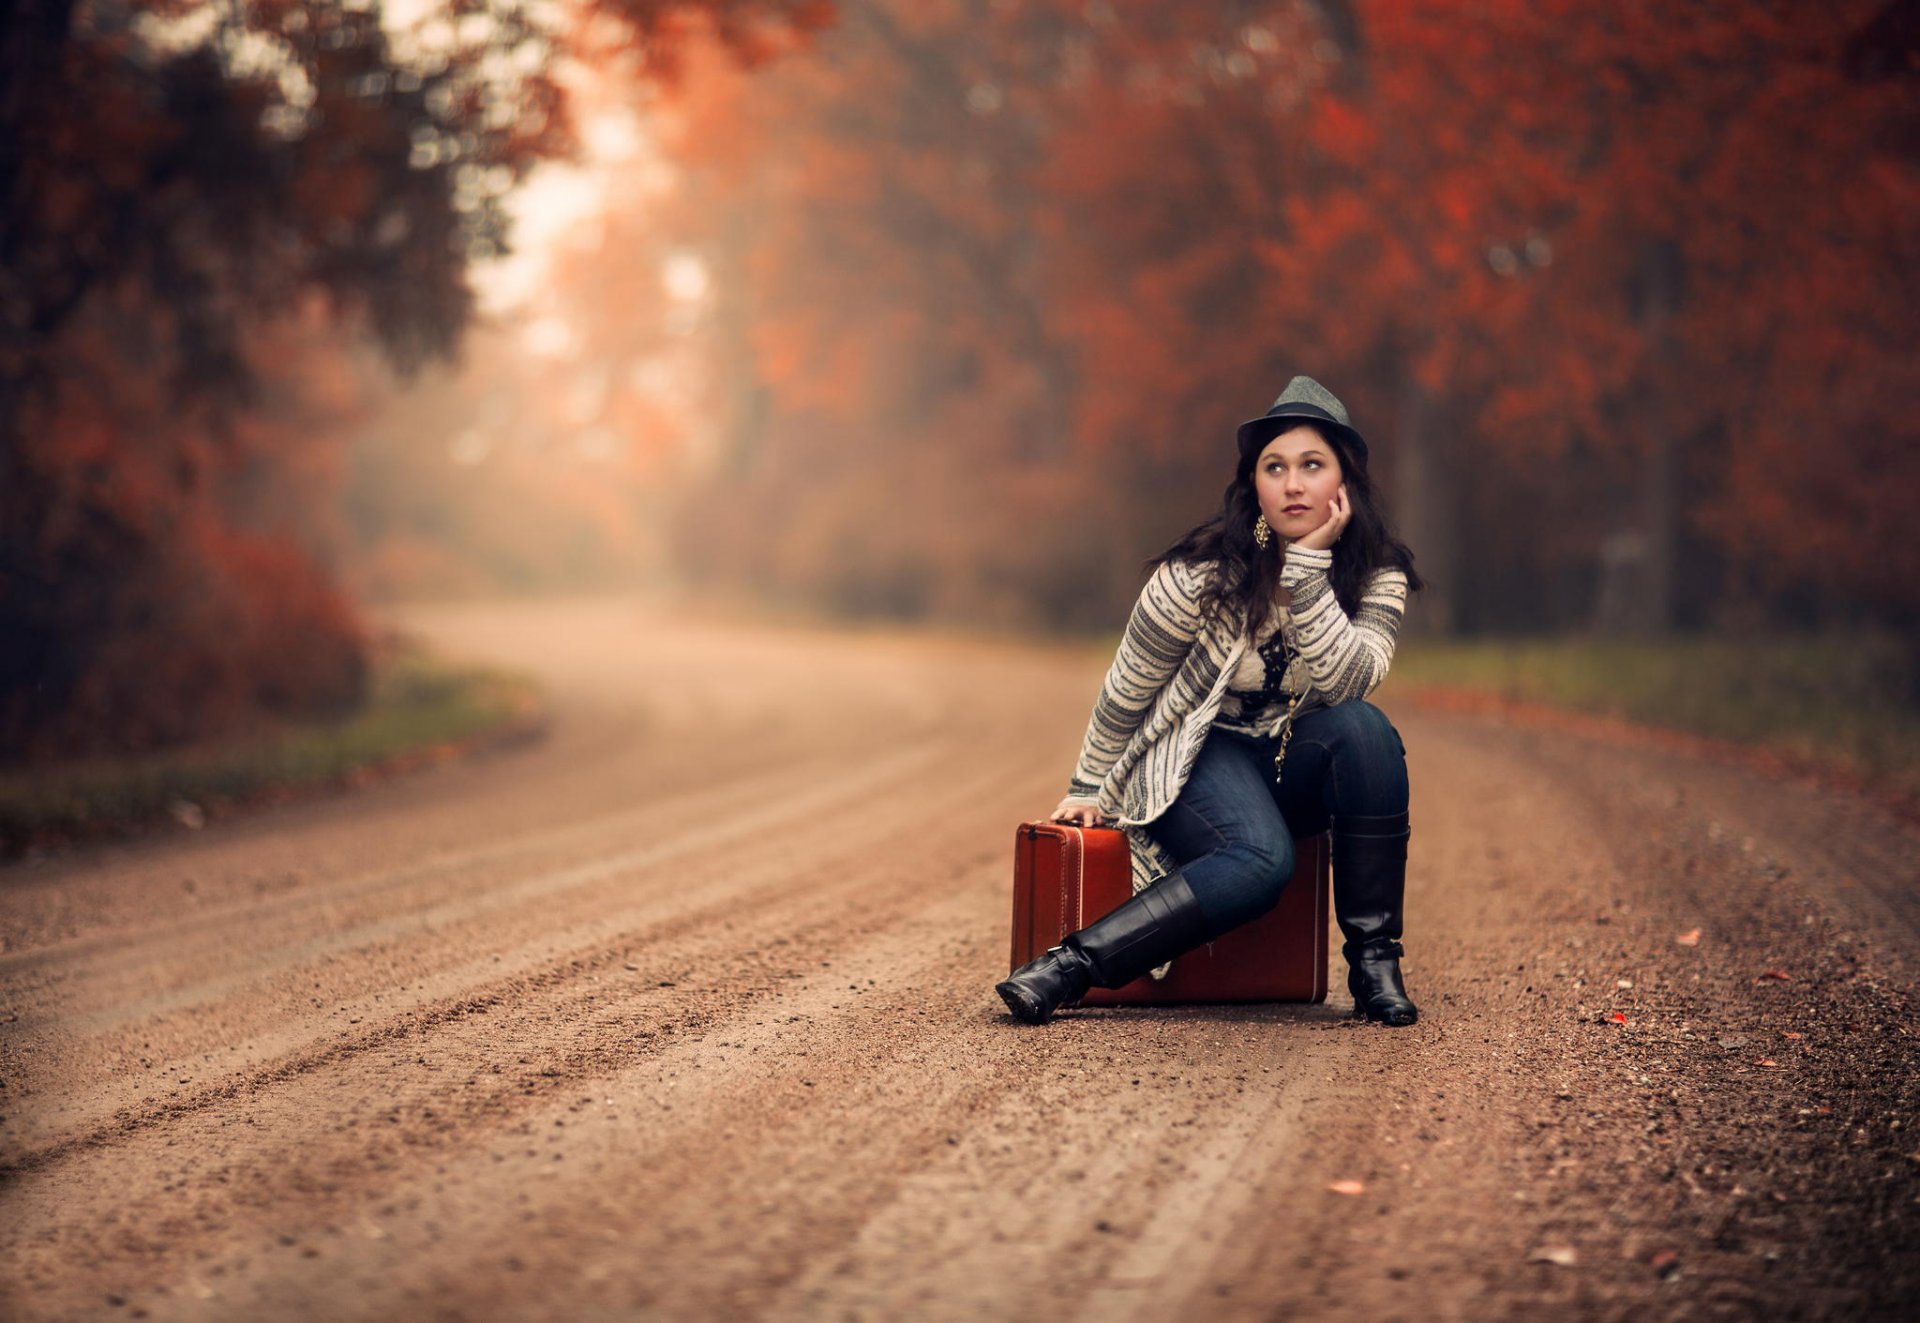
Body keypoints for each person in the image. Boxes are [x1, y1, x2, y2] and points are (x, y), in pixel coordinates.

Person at [996, 375, 1426, 1027]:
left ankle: (1375, 966)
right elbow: (1128, 686)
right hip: (1198, 759)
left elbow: (1345, 684)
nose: (1293, 484)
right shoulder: (1201, 576)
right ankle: (1069, 968)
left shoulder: (1377, 574)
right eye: (1274, 467)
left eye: (1313, 465)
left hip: (1290, 762)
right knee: (1260, 860)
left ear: (1345, 480)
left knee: (1365, 730)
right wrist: (1088, 785)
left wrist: (1309, 573)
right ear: (1253, 484)